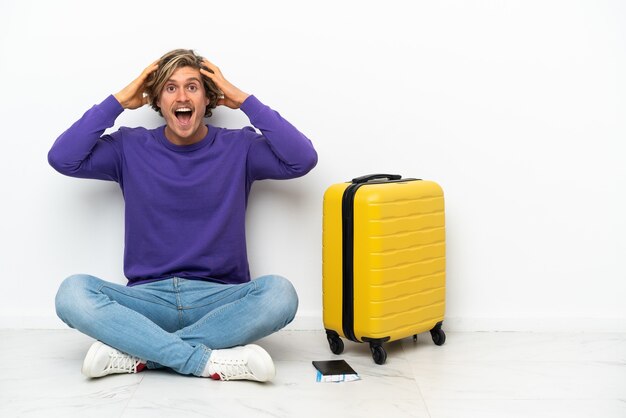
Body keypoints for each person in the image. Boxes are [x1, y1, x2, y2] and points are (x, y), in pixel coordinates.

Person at [48, 49, 318, 382]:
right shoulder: (128, 147)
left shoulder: (240, 147)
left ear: (208, 99)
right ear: (157, 100)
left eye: (193, 87)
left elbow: (302, 159)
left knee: (281, 295)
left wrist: (245, 100)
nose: (182, 96)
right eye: (170, 88)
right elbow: (63, 158)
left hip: (219, 301)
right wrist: (118, 101)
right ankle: (203, 360)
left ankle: (141, 353)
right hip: (148, 300)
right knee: (72, 293)